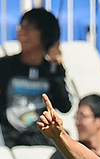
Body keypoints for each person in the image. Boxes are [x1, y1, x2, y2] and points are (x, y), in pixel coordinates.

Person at [0, 8, 71, 148]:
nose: (22, 33)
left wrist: (55, 67)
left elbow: (65, 106)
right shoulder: (4, 66)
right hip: (8, 141)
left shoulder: (52, 70)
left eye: (29, 28)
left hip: (42, 140)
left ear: (45, 34)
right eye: (21, 27)